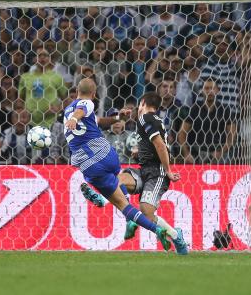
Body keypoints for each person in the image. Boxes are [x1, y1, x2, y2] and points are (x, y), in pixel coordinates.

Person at [63, 78, 171, 250]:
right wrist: (117, 117)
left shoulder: (73, 108)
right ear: (94, 93)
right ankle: (157, 229)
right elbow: (94, 117)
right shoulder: (88, 104)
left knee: (120, 202)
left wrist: (75, 119)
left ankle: (103, 199)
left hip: (91, 165)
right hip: (108, 155)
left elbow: (82, 110)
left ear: (77, 91)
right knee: (121, 195)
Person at [81, 92, 189, 255]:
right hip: (145, 169)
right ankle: (104, 201)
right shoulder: (153, 120)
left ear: (143, 103)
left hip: (157, 173)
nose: (138, 108)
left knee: (146, 212)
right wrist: (141, 151)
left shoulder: (146, 118)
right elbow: (156, 144)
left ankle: (175, 235)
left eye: (139, 104)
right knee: (118, 180)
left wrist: (168, 170)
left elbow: (160, 145)